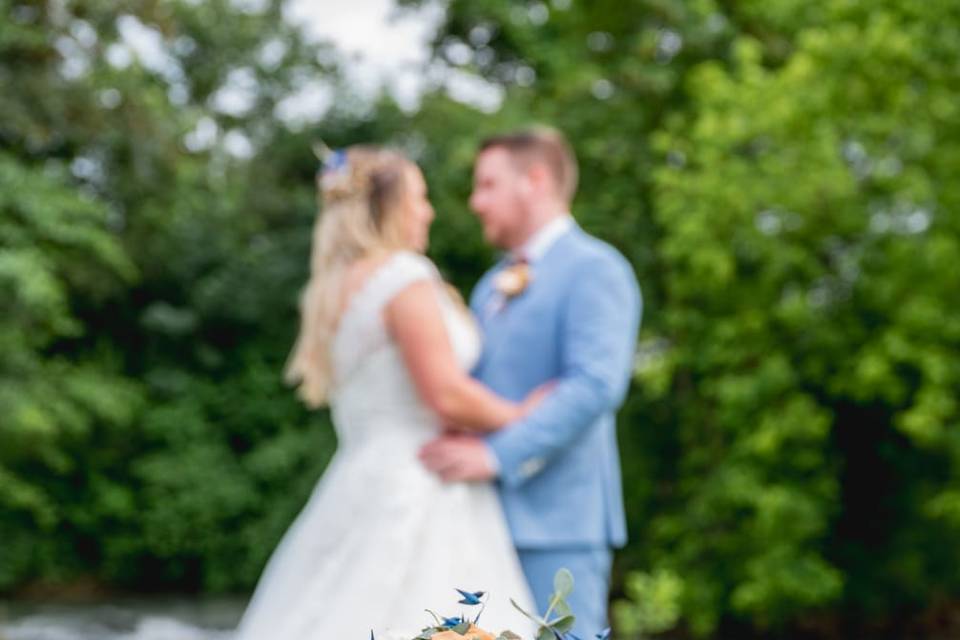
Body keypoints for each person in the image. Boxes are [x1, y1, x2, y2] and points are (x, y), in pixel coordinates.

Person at [235, 145, 539, 640]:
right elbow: (447, 395)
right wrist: (522, 412)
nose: (429, 211)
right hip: (422, 484)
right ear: (389, 206)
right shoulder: (402, 277)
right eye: (419, 198)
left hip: (355, 481)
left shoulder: (332, 288)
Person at [419, 128, 642, 638]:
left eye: (488, 185)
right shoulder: (488, 287)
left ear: (535, 180)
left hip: (558, 525)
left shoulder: (596, 269)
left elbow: (595, 386)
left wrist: (497, 455)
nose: (476, 202)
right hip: (476, 519)